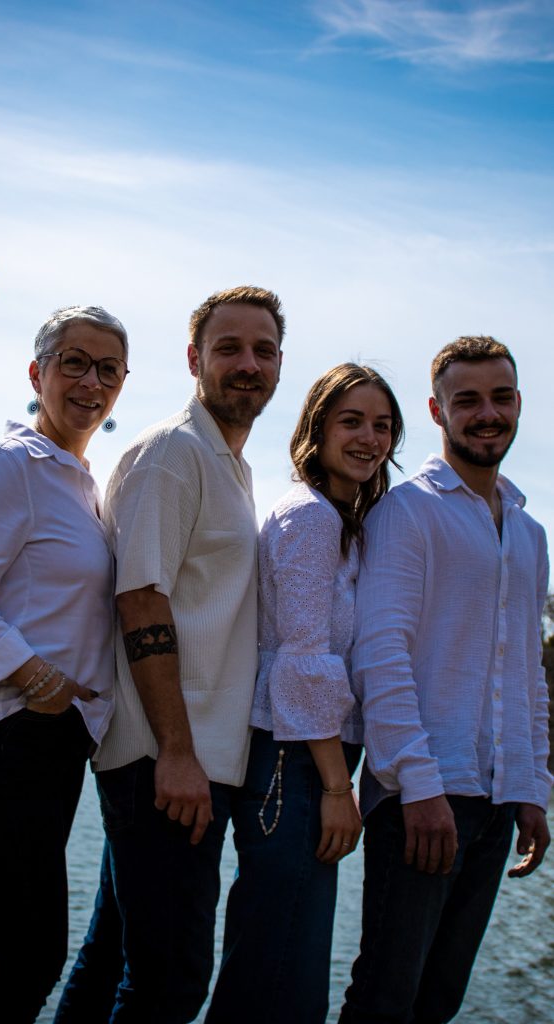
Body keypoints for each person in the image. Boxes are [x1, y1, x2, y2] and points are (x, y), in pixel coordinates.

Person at [58, 286, 284, 1024]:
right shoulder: (172, 453)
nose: (247, 364)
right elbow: (140, 600)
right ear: (195, 360)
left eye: (262, 350)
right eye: (228, 348)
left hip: (178, 761)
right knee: (170, 984)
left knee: (110, 966)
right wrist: (177, 752)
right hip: (165, 763)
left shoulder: (229, 465)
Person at [0, 305, 130, 1024]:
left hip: (49, 737)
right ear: (37, 372)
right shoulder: (11, 462)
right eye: (73, 361)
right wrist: (40, 682)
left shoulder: (81, 482)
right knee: (32, 959)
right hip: (10, 728)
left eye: (107, 369)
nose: (90, 381)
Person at [339, 336, 551, 1024]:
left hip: (495, 800)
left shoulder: (529, 533)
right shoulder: (407, 511)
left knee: (438, 1002)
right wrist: (417, 786)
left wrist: (532, 787)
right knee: (384, 999)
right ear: (437, 411)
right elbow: (380, 656)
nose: (486, 414)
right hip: (421, 799)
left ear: (518, 403)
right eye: (467, 401)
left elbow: (526, 674)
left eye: (499, 397)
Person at [206, 363, 404, 1024]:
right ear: (316, 431)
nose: (369, 438)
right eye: (351, 422)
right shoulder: (309, 518)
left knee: (281, 947)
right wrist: (333, 788)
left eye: (381, 426)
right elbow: (303, 658)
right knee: (281, 955)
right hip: (294, 761)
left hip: (309, 759)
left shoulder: (346, 522)